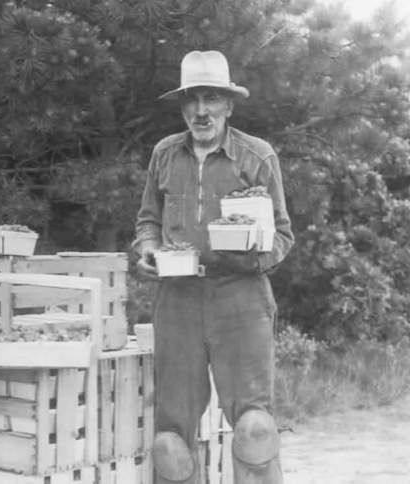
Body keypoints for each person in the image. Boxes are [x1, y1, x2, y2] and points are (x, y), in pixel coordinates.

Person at [134, 51, 293, 484]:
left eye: (211, 99)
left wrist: (252, 255)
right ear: (183, 106)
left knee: (255, 430)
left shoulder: (257, 157)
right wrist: (148, 249)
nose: (201, 110)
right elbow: (148, 219)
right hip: (178, 299)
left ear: (229, 105)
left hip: (241, 298)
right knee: (170, 443)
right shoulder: (164, 154)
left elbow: (282, 235)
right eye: (193, 100)